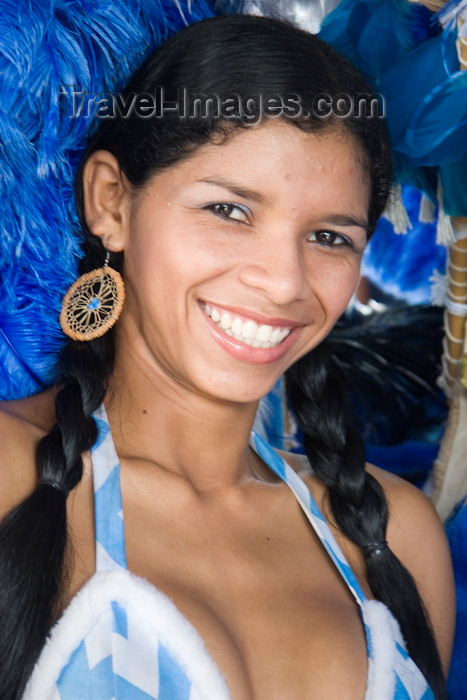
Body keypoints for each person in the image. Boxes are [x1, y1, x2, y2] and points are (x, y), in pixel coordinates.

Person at [0, 13, 455, 700]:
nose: (283, 281)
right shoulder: (10, 474)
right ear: (111, 202)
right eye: (229, 210)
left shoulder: (396, 534)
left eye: (329, 236)